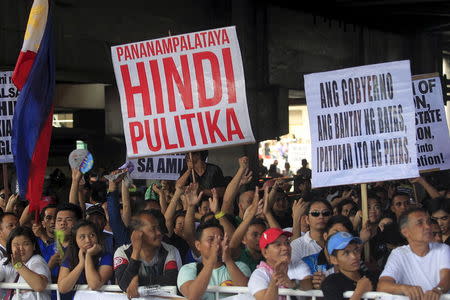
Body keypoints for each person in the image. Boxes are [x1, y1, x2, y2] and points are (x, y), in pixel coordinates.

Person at [377, 207, 450, 298]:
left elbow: (447, 277)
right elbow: (382, 286)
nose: (428, 226)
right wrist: (405, 288)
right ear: (406, 232)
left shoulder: (443, 249)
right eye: (420, 223)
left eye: (428, 222)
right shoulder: (399, 254)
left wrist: (438, 290)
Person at [114, 210, 182, 299]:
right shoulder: (122, 252)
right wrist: (135, 252)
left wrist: (137, 279)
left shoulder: (169, 250)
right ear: (138, 233)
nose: (159, 232)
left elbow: (172, 280)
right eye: (153, 229)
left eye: (158, 228)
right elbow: (123, 284)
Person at [177, 222, 250, 300]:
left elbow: (246, 291)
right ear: (198, 245)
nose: (217, 244)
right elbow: (192, 296)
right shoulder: (188, 269)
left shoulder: (240, 266)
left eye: (221, 239)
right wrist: (211, 260)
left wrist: (228, 260)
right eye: (211, 239)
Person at [248, 228, 312, 300]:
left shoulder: (298, 264)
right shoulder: (259, 275)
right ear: (265, 252)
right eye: (278, 245)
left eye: (287, 243)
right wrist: (275, 280)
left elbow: (310, 285)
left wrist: (292, 283)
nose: (285, 248)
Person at [58, 220, 113, 300]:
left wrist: (88, 255)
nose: (88, 240)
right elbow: (63, 288)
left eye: (92, 235)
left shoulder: (106, 257)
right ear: (75, 241)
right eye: (82, 237)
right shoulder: (69, 259)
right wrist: (81, 264)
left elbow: (94, 285)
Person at [321, 232, 376, 300]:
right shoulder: (331, 283)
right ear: (334, 259)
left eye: (356, 250)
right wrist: (359, 292)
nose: (354, 256)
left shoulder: (370, 277)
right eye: (346, 253)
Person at [0, 226, 51, 300]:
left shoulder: (37, 260)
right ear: (10, 247)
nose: (21, 248)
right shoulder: (5, 262)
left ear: (33, 246)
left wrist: (19, 265)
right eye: (16, 244)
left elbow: (39, 286)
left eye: (26, 244)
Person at [41, 203, 82, 283]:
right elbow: (38, 281)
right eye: (59, 220)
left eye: (68, 219)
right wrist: (49, 266)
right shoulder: (46, 250)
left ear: (78, 223)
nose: (63, 223)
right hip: (53, 295)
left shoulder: (82, 249)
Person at [291, 199, 332, 264]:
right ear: (307, 219)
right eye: (315, 213)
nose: (321, 217)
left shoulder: (339, 241)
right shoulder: (296, 245)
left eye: (325, 213)